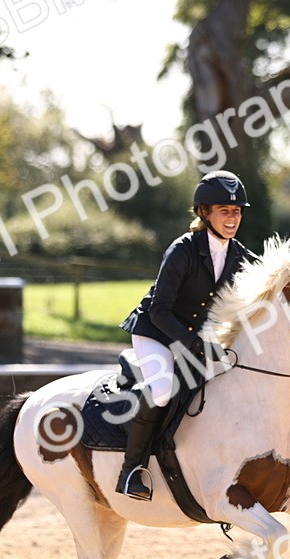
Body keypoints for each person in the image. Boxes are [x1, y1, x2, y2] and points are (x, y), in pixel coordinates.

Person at [115, 170, 254, 501]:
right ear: (204, 213)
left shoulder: (239, 255)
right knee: (163, 390)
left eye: (237, 211)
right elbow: (160, 310)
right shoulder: (183, 250)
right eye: (224, 211)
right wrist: (193, 344)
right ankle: (131, 470)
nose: (232, 218)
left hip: (196, 340)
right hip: (155, 333)